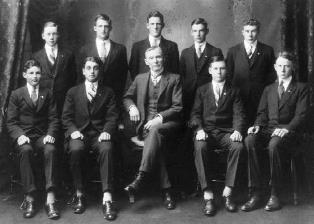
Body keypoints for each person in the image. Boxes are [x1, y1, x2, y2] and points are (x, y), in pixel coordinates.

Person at [242, 51, 309, 212]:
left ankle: (275, 193)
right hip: (269, 129)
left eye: (286, 66)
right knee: (250, 140)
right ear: (275, 67)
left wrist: (286, 129)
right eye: (280, 66)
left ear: (292, 68)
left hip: (291, 132)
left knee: (274, 144)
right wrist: (257, 125)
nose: (283, 69)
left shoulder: (301, 88)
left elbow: (302, 115)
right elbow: (261, 113)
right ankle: (256, 192)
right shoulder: (269, 88)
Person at [123, 46, 182, 210]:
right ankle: (167, 191)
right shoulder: (140, 78)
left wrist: (159, 118)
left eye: (158, 57)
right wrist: (132, 107)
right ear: (146, 61)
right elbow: (127, 97)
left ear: (163, 58)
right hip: (145, 127)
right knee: (158, 144)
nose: (156, 61)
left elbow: (178, 107)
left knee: (156, 132)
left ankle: (141, 177)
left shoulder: (174, 78)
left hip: (169, 124)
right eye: (152, 58)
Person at [62, 57, 119, 220]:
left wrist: (107, 131)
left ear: (99, 71)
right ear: (83, 71)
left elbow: (112, 116)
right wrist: (73, 131)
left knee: (107, 148)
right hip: (79, 133)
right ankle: (79, 194)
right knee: (75, 149)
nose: (92, 71)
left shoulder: (108, 91)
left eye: (95, 68)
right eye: (88, 68)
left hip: (100, 134)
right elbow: (66, 117)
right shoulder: (73, 92)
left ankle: (107, 197)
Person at [190, 55, 246, 216]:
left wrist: (237, 130)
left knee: (238, 146)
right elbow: (194, 114)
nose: (219, 72)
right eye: (216, 68)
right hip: (206, 132)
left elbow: (239, 114)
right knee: (199, 147)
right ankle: (208, 194)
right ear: (210, 70)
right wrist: (199, 129)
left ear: (226, 70)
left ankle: (228, 192)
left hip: (226, 132)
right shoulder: (202, 90)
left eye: (222, 68)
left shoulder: (234, 90)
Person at [6, 60, 60, 219]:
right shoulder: (16, 94)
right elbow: (11, 122)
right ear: (24, 75)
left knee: (50, 149)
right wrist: (20, 135)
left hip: (42, 136)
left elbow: (54, 118)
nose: (35, 76)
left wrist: (50, 133)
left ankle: (50, 197)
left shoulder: (48, 93)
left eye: (37, 73)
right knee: (26, 150)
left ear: (41, 75)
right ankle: (30, 196)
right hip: (24, 136)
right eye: (31, 73)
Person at [226, 18, 276, 124]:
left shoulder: (267, 50)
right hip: (239, 95)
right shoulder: (233, 51)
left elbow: (272, 73)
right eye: (247, 31)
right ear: (243, 32)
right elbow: (228, 74)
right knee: (240, 122)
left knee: (258, 123)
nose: (250, 34)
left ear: (258, 32)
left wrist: (264, 89)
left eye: (253, 31)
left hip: (260, 95)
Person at [77, 14, 128, 114]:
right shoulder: (85, 49)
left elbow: (123, 76)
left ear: (110, 28)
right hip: (91, 97)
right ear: (95, 28)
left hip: (113, 99)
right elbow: (80, 76)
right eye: (100, 26)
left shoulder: (120, 49)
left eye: (106, 26)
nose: (103, 29)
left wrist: (117, 96)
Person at [180, 18, 223, 121]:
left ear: (206, 31)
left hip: (208, 95)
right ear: (191, 32)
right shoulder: (185, 53)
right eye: (195, 31)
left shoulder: (215, 51)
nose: (198, 34)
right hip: (188, 95)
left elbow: (220, 75)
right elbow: (181, 75)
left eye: (201, 30)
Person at [33, 21, 77, 115]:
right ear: (43, 36)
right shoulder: (36, 57)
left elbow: (73, 79)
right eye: (48, 34)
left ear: (58, 35)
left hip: (63, 102)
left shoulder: (68, 55)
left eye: (54, 34)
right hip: (43, 101)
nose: (51, 37)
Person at [129, 10, 179, 80]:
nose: (155, 27)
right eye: (152, 24)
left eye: (158, 24)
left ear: (162, 25)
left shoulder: (172, 46)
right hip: (144, 88)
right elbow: (133, 71)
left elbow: (175, 71)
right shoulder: (137, 47)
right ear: (147, 25)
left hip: (166, 88)